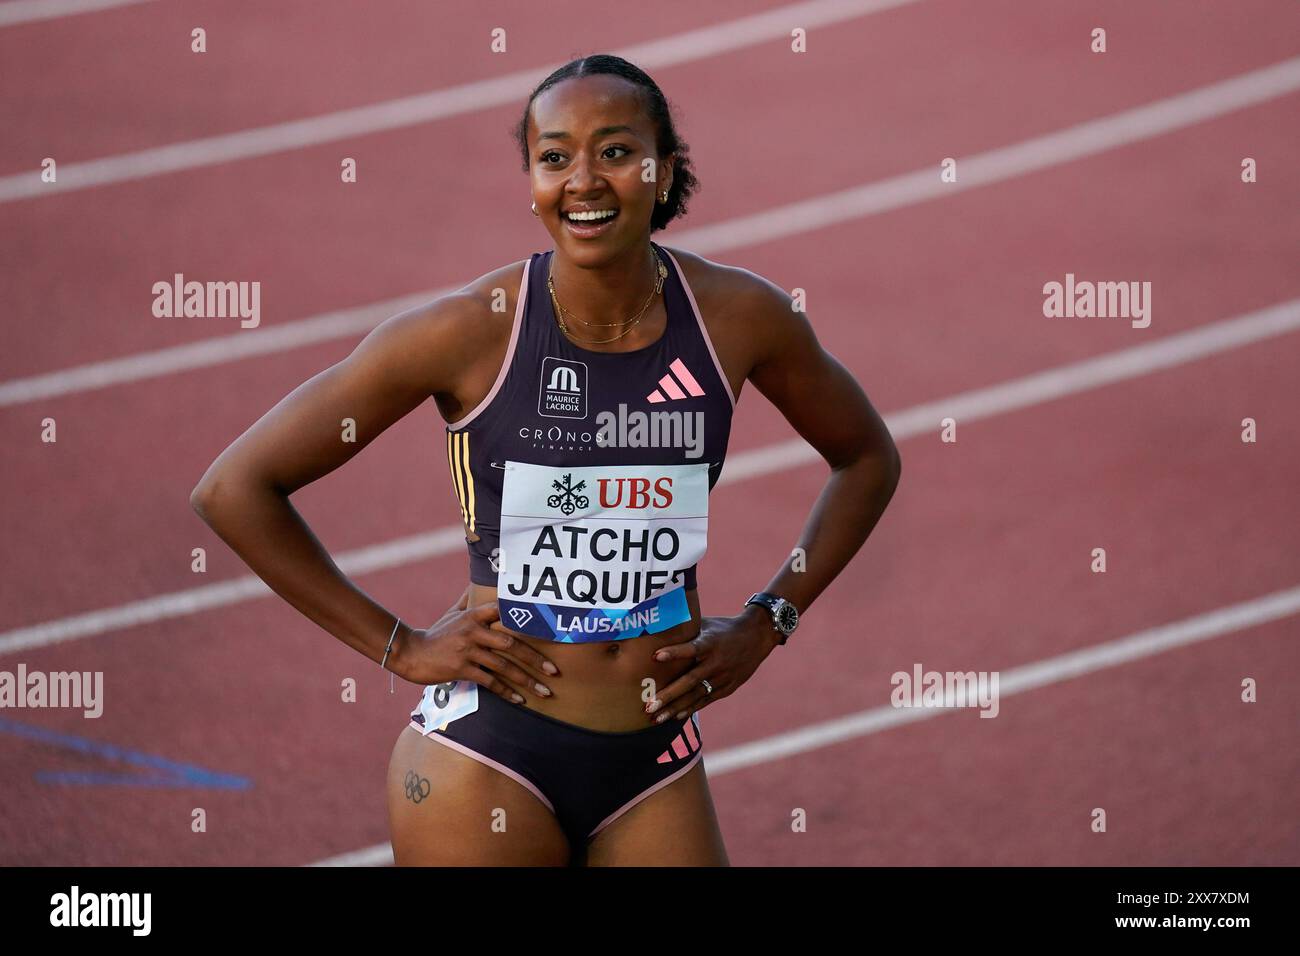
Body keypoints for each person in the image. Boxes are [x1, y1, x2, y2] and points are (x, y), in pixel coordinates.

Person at [190, 54, 900, 867]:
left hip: (655, 759)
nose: (584, 182)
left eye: (615, 151)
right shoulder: (469, 331)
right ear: (530, 179)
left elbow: (865, 457)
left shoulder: (740, 319)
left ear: (664, 170)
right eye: (554, 157)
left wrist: (771, 620)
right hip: (489, 756)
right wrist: (399, 646)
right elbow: (236, 488)